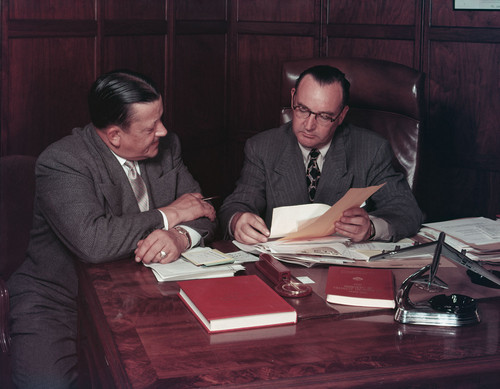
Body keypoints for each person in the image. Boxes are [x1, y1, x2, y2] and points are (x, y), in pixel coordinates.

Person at [7, 69, 217, 388]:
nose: (163, 130)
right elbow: (93, 242)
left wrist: (180, 235)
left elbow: (203, 211)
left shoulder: (168, 147)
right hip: (59, 299)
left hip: (147, 298)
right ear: (115, 136)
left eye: (161, 118)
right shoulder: (63, 161)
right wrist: (169, 214)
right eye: (150, 127)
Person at [219, 65, 423, 245]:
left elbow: (407, 211)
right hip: (281, 269)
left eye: (324, 116)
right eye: (302, 109)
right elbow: (236, 205)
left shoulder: (371, 150)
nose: (308, 125)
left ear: (341, 115)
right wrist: (238, 220)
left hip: (345, 269)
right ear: (292, 98)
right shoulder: (262, 147)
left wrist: (371, 228)